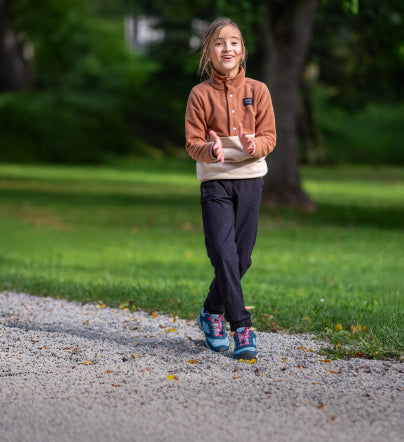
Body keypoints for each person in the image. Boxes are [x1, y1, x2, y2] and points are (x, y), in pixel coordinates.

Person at [185, 17, 276, 360]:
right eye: (219, 43)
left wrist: (254, 146)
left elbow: (270, 136)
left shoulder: (259, 90)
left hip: (251, 179)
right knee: (223, 254)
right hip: (215, 181)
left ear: (242, 50)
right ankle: (241, 326)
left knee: (242, 258)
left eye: (234, 42)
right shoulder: (199, 95)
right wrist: (212, 150)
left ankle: (211, 313)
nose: (227, 48)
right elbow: (193, 142)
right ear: (209, 52)